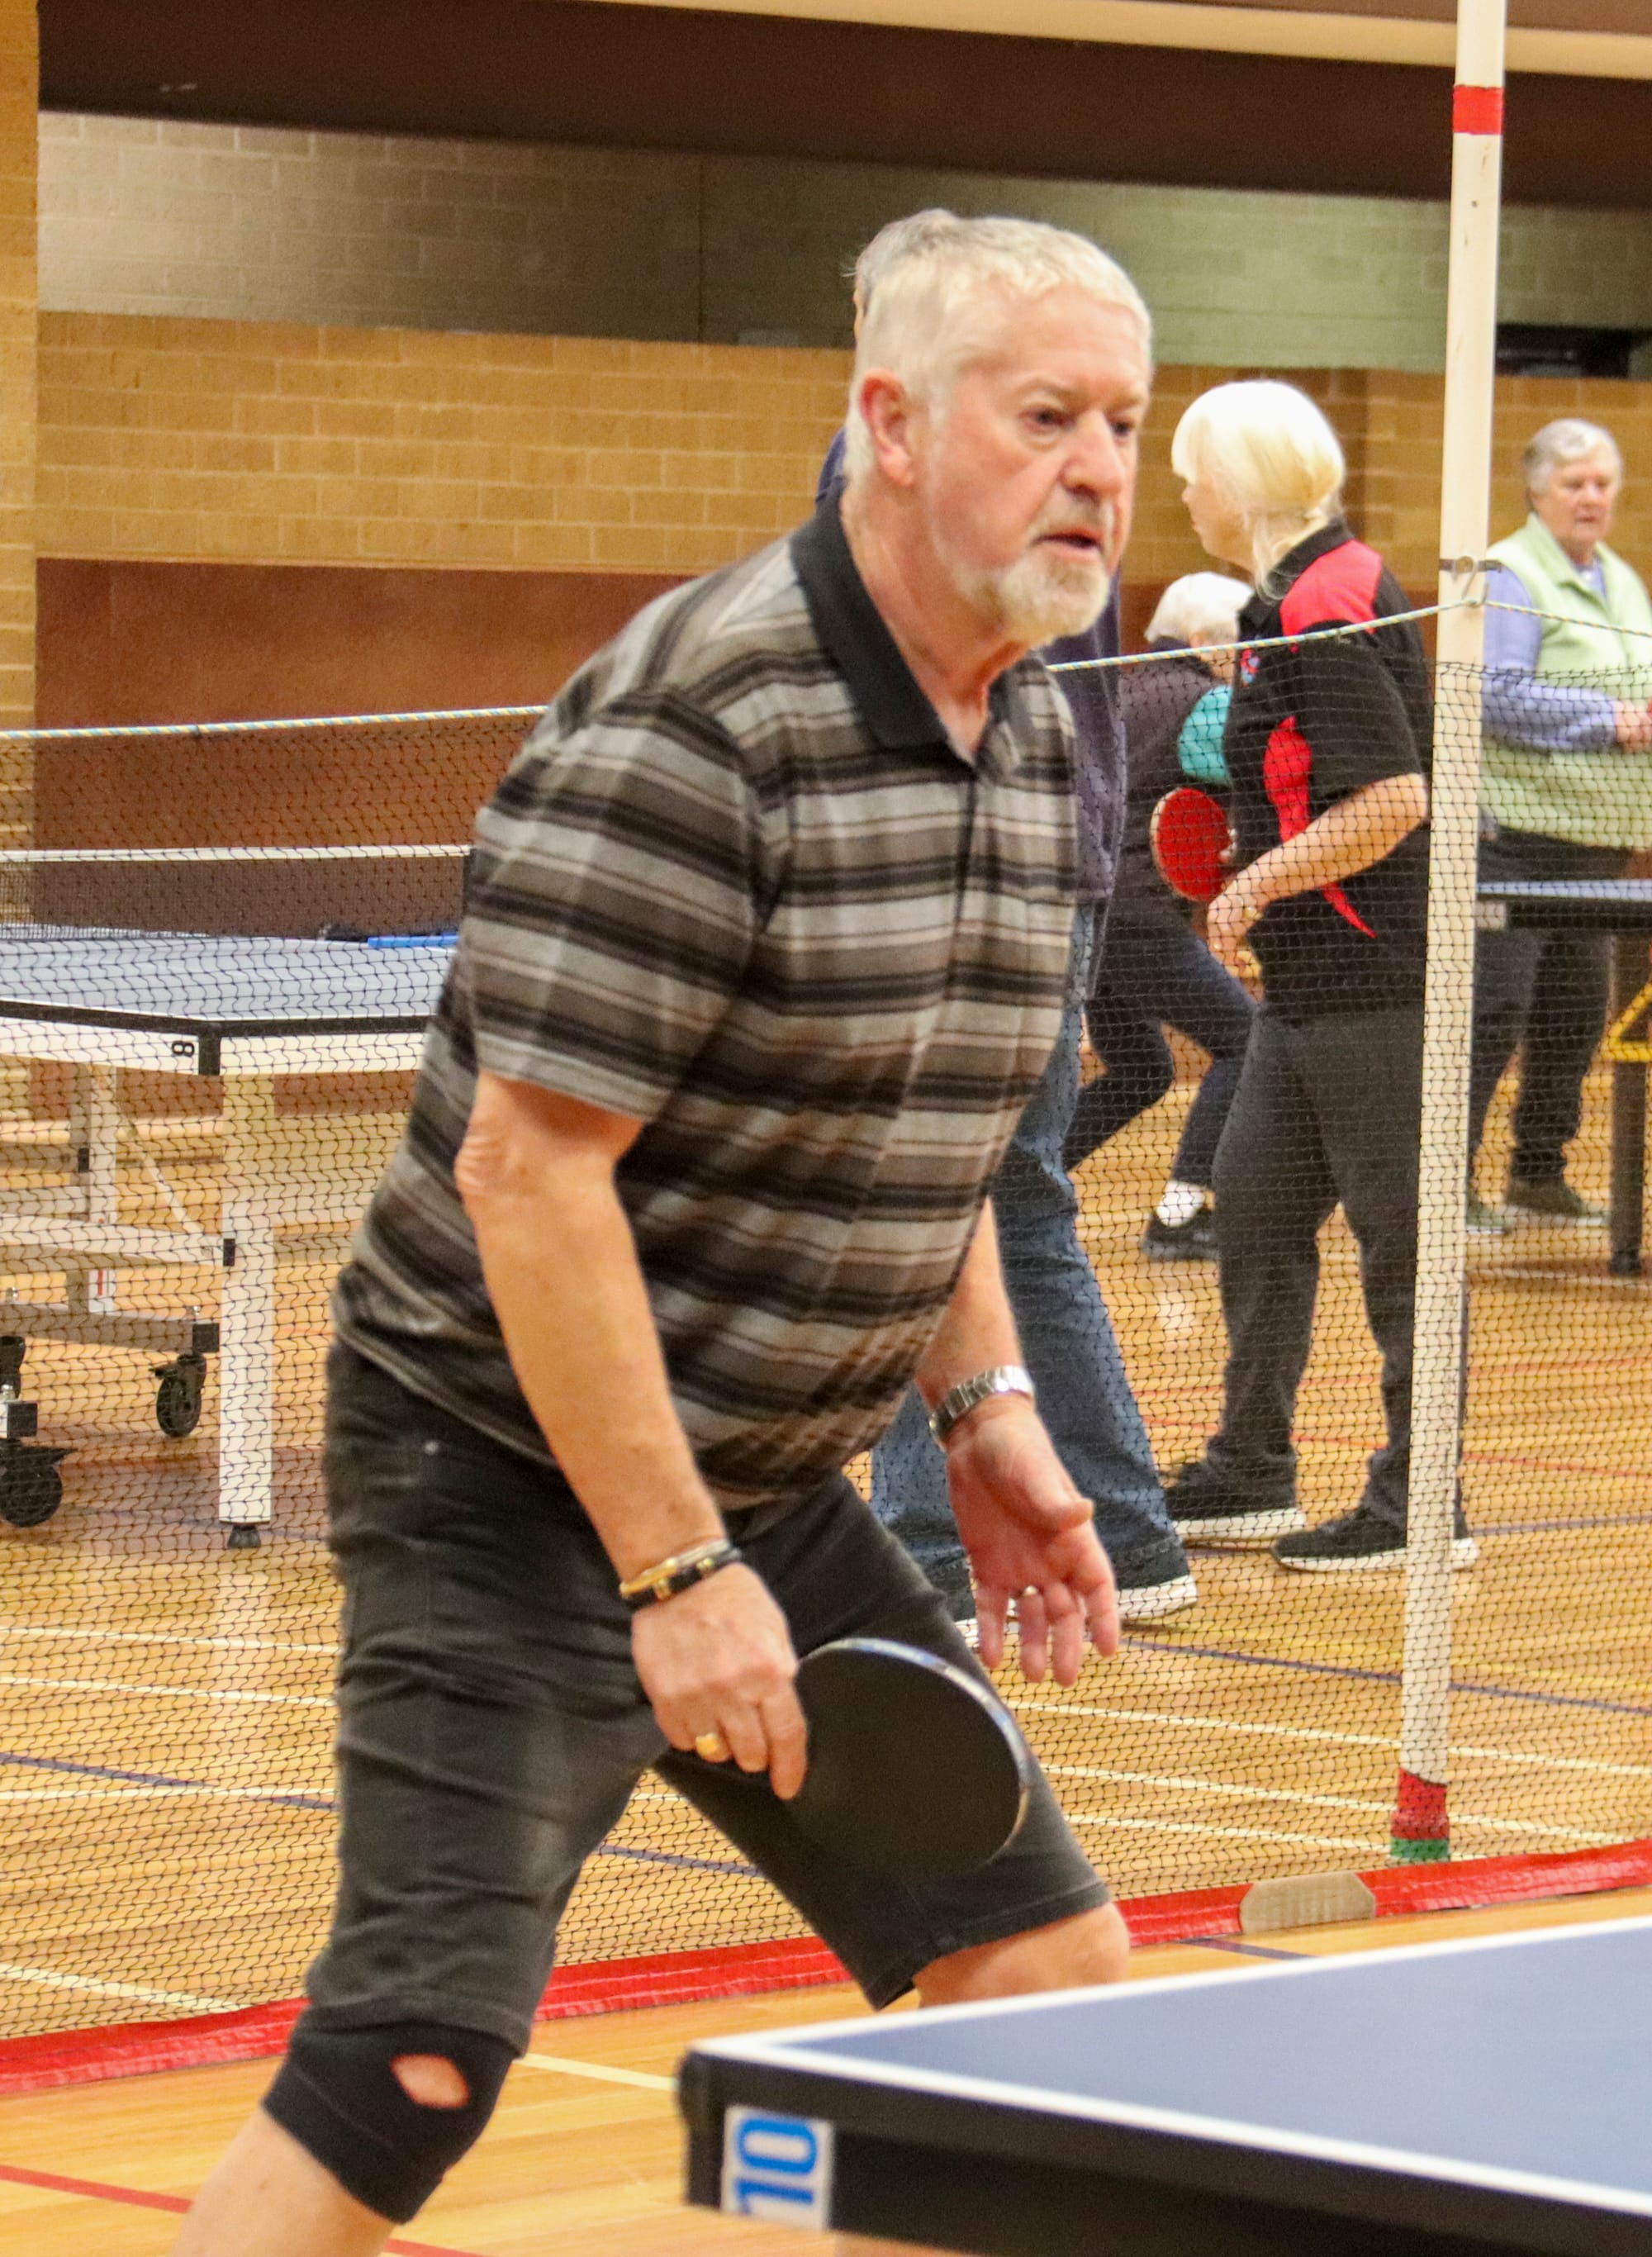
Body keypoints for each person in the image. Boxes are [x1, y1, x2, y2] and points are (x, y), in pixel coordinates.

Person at [169, 216, 1152, 2256]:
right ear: (891, 424)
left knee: (1043, 1987)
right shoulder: (702, 723)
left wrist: (982, 1410)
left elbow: (935, 1118)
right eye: (1045, 417)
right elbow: (526, 1177)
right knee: (413, 2060)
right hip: (504, 1466)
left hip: (762, 1472)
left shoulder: (1035, 730)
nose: (1095, 471)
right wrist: (677, 1567)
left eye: (1122, 428)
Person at [821, 214, 1196, 1625]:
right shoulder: (1049, 480)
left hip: (969, 891)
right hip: (1059, 875)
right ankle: (1130, 1534)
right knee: (1018, 1207)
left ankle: (930, 1547)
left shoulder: (907, 468)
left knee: (937, 1204)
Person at [1160, 379, 1478, 1574]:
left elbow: (1393, 797)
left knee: (1401, 1246)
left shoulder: (1327, 597)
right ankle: (1252, 1465)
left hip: (1379, 979)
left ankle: (1420, 1502)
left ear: (1235, 479)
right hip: (1301, 992)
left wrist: (1252, 886)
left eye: (1189, 470)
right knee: (1254, 1208)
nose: (1180, 492)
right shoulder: (1277, 601)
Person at [1468, 417, 1652, 1229]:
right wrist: (1609, 720)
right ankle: (1442, 1181)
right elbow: (1494, 692)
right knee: (1491, 1013)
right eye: (1574, 483)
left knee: (1574, 1015)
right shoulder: (1510, 573)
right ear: (1537, 491)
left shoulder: (1622, 579)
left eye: (1601, 483)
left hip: (1598, 845)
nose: (1590, 497)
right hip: (1516, 837)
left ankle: (1537, 1172)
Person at [1063, 571, 1257, 1260]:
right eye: (1240, 648)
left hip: (1091, 913)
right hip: (1140, 918)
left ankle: (1014, 1193)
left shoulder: (1116, 690)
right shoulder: (1207, 703)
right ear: (1205, 641)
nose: (1246, 663)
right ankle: (1179, 1214)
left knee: (1142, 1067)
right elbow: (1262, 780)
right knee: (1247, 1038)